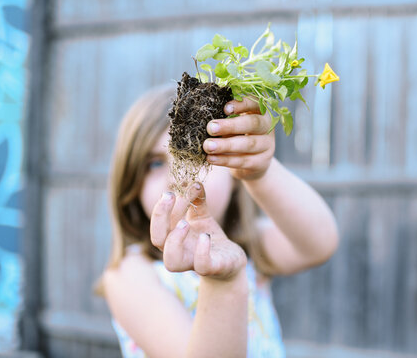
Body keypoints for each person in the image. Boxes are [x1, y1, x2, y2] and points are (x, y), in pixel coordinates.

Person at [99, 83, 339, 358]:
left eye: (197, 155)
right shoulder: (130, 275)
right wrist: (223, 282)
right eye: (155, 163)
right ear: (130, 186)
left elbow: (320, 243)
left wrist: (260, 172)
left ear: (234, 175)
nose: (178, 176)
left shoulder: (250, 245)